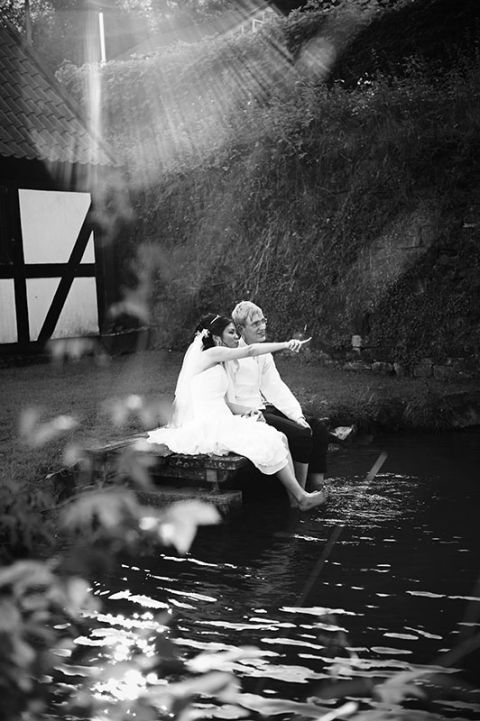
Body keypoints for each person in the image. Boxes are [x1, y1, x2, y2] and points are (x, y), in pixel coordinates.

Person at [147, 314, 329, 511]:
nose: (236, 337)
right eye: (231, 332)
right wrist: (286, 344)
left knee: (281, 437)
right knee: (270, 439)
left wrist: (249, 410)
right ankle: (301, 497)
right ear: (217, 337)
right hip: (210, 422)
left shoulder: (218, 362)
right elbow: (250, 350)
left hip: (224, 416)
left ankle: (296, 497)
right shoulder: (210, 354)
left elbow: (226, 402)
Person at [229, 300, 332, 492]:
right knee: (301, 436)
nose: (262, 327)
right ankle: (299, 494)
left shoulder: (264, 354)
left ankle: (317, 486)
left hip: (263, 408)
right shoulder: (231, 354)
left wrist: (297, 416)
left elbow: (275, 388)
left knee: (317, 428)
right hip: (247, 415)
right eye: (255, 324)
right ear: (241, 329)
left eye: (263, 321)